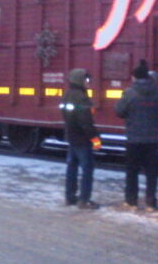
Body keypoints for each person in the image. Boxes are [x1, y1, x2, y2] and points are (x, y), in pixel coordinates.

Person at [115, 59, 158, 211]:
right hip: (153, 138)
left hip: (134, 138)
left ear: (135, 77)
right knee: (152, 172)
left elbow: (119, 111)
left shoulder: (129, 93)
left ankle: (131, 200)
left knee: (132, 171)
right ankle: (151, 202)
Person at [60, 68, 102, 210]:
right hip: (82, 139)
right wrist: (95, 139)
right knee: (87, 169)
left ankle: (70, 197)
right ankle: (84, 200)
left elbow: (66, 116)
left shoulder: (67, 95)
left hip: (71, 136)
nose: (89, 82)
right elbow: (86, 122)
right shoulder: (82, 98)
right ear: (79, 81)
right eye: (87, 80)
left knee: (72, 167)